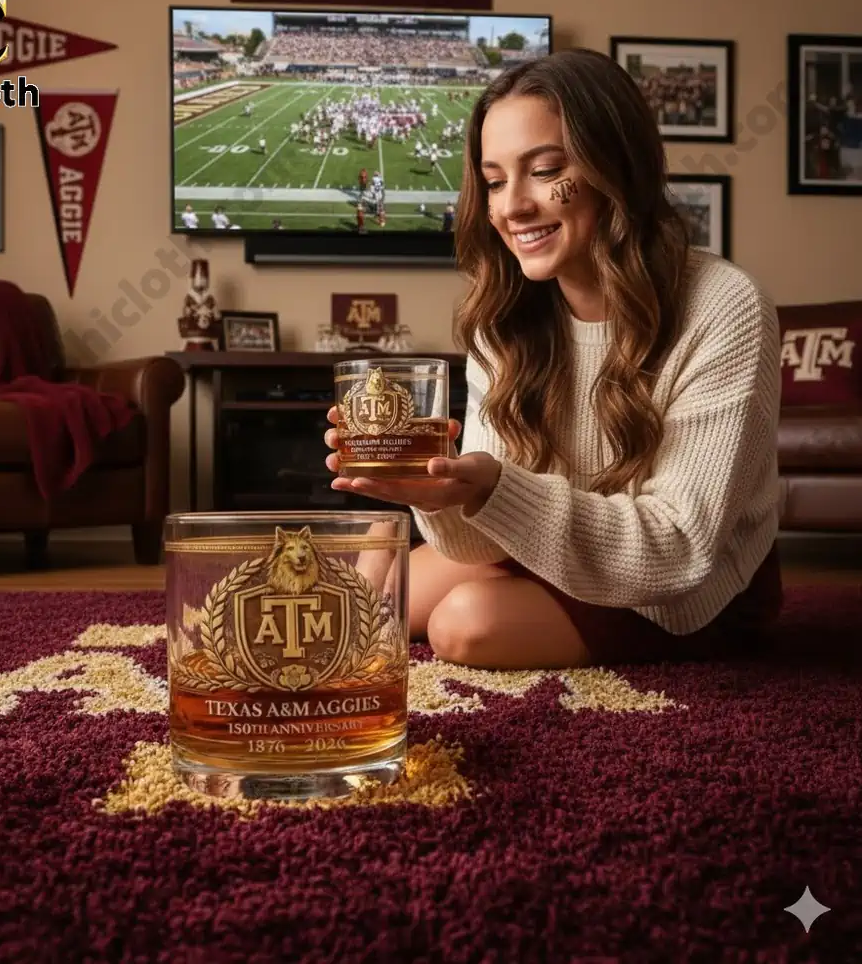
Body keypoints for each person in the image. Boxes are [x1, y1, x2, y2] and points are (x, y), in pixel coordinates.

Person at [323, 48, 783, 671]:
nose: (511, 207)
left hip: (680, 588)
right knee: (356, 601)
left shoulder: (726, 304)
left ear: (614, 167)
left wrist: (494, 491)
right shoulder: (502, 316)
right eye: (492, 181)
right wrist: (440, 500)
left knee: (463, 624)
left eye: (544, 170)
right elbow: (485, 532)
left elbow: (680, 549)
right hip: (549, 544)